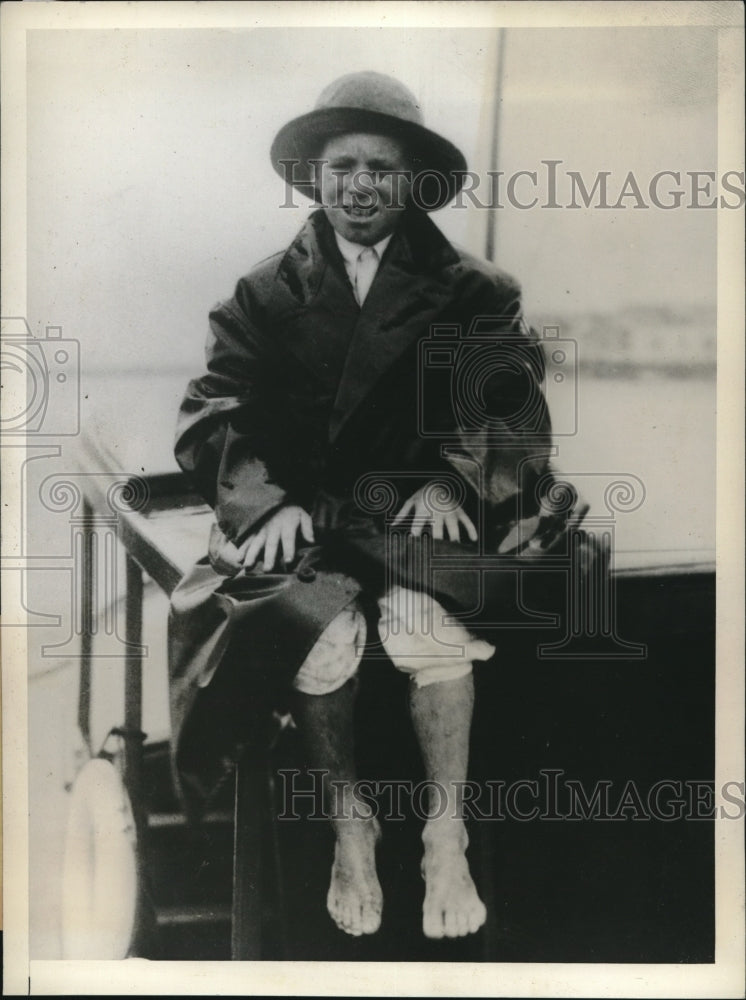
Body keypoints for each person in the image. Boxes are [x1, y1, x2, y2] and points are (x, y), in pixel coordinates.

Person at [169, 71, 562, 942]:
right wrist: (261, 500)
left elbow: (505, 406)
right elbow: (214, 410)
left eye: (381, 170)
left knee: (426, 626)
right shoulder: (261, 292)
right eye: (342, 166)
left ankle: (444, 832)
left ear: (414, 183)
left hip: (421, 519)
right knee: (319, 632)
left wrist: (458, 478)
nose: (360, 187)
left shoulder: (474, 288)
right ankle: (352, 823)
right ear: (315, 176)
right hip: (311, 520)